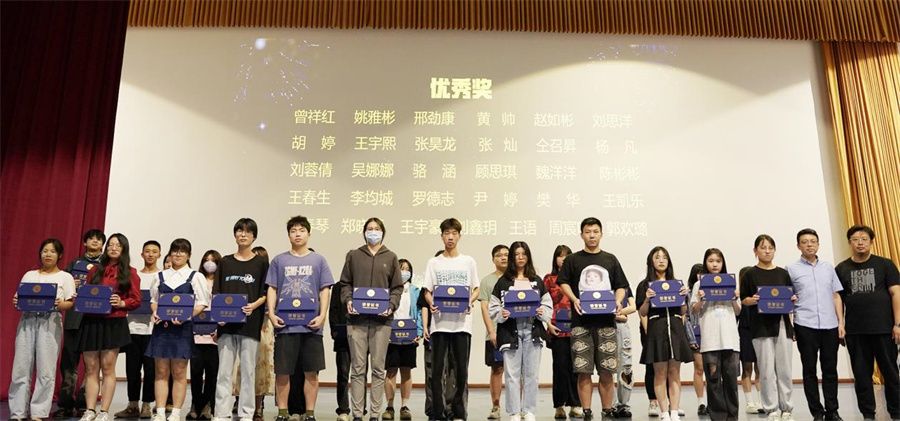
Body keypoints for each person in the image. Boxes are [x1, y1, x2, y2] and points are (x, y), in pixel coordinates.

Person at [556, 217, 629, 420]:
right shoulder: (573, 260)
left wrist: (617, 301)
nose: (592, 235)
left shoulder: (610, 259)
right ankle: (587, 411)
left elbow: (621, 286)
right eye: (588, 232)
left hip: (606, 323)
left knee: (607, 370)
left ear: (601, 234)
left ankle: (607, 410)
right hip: (581, 323)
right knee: (583, 370)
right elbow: (563, 282)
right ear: (582, 235)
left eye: (595, 231)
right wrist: (574, 299)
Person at [268, 215, 334, 421]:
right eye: (293, 231)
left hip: (311, 326)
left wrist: (322, 315)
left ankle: (310, 413)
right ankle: (282, 412)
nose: (297, 234)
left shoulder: (319, 260)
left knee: (311, 373)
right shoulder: (279, 260)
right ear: (288, 235)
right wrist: (271, 314)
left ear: (309, 233)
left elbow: (325, 290)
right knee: (283, 372)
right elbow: (272, 288)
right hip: (285, 326)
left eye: (301, 230)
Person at [340, 217, 404, 421]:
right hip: (356, 321)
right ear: (364, 232)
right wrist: (348, 300)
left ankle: (375, 414)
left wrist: (391, 305)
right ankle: (358, 414)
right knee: (358, 369)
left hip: (382, 322)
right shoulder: (354, 255)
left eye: (377, 229)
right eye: (369, 228)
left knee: (378, 369)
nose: (373, 232)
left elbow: (397, 288)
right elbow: (345, 283)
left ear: (383, 232)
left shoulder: (391, 257)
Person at [835, 225, 900, 421]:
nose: (860, 243)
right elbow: (837, 298)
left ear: (871, 241)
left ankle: (896, 412)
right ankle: (868, 414)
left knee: (891, 373)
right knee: (862, 375)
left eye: (864, 239)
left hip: (884, 329)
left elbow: (896, 293)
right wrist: (841, 323)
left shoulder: (885, 264)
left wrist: (897, 324)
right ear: (850, 243)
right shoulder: (842, 268)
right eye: (855, 239)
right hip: (855, 331)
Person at [9, 239, 76, 421]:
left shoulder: (65, 277)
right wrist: (16, 301)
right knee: (21, 367)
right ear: (40, 253)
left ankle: (38, 412)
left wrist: (60, 304)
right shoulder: (29, 275)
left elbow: (69, 303)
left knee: (46, 369)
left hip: (50, 322)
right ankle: (17, 412)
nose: (48, 254)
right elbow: (19, 298)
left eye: (52, 251)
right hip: (27, 321)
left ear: (59, 255)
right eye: (45, 251)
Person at [78, 233, 142, 421]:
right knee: (91, 368)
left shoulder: (130, 272)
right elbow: (88, 293)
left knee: (107, 368)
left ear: (124, 249)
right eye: (110, 245)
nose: (113, 248)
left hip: (114, 322)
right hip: (91, 322)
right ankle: (90, 410)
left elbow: (136, 299)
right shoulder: (95, 270)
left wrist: (122, 303)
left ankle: (104, 411)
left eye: (118, 245)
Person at [146, 239, 210, 421]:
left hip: (183, 329)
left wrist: (186, 316)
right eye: (175, 251)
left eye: (182, 251)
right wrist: (155, 312)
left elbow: (202, 303)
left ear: (189, 255)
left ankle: (175, 412)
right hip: (162, 329)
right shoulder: (160, 276)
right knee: (161, 371)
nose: (178, 254)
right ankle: (160, 411)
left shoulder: (196, 276)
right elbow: (154, 301)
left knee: (180, 372)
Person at [212, 218, 269, 421]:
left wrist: (253, 305)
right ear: (235, 234)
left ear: (254, 236)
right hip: (226, 325)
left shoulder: (261, 263)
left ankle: (246, 413)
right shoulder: (225, 262)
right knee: (224, 371)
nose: (243, 235)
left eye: (247, 232)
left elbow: (266, 292)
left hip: (250, 324)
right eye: (239, 231)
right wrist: (218, 316)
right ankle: (221, 413)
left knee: (248, 371)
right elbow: (216, 292)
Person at [423, 218, 479, 421]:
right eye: (447, 233)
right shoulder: (434, 262)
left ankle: (458, 411)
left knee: (462, 371)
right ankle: (438, 412)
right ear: (441, 236)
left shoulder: (468, 261)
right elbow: (427, 290)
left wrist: (469, 302)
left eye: (454, 233)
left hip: (462, 325)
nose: (450, 237)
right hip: (440, 324)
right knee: (437, 371)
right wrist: (431, 303)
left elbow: (476, 288)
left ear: (459, 236)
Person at [488, 241, 552, 421]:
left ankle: (529, 410)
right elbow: (493, 308)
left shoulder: (536, 280)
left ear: (528, 257)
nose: (520, 257)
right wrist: (502, 313)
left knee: (532, 374)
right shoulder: (503, 282)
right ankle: (514, 411)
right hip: (510, 332)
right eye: (517, 254)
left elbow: (548, 304)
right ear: (512, 258)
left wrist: (542, 312)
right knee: (512, 375)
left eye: (524, 254)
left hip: (533, 331)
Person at [786, 229, 845, 421]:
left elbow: (836, 296)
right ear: (798, 246)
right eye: (804, 242)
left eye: (813, 241)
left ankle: (832, 411)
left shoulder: (828, 268)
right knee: (809, 370)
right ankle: (817, 412)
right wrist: (791, 325)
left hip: (830, 325)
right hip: (804, 324)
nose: (809, 245)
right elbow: (788, 299)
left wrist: (841, 322)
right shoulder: (791, 269)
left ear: (818, 244)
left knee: (830, 370)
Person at [739, 235, 796, 421]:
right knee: (766, 370)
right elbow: (744, 300)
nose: (767, 251)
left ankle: (786, 408)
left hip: (782, 325)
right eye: (763, 247)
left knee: (785, 370)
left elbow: (790, 298)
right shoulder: (750, 274)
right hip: (760, 327)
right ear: (755, 251)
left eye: (771, 247)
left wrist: (792, 300)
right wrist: (752, 300)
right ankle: (771, 408)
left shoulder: (783, 273)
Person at [636, 246, 692, 421]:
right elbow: (642, 312)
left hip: (675, 329)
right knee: (659, 373)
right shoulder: (645, 285)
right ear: (651, 261)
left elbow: (683, 311)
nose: (661, 260)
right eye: (657, 257)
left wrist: (684, 297)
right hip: (657, 329)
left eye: (664, 257)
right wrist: (647, 299)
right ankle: (664, 412)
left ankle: (674, 411)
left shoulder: (677, 284)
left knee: (674, 372)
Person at [55, 229, 105, 419]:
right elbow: (63, 289)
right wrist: (72, 285)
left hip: (95, 320)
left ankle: (85, 404)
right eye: (91, 239)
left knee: (92, 365)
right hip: (74, 319)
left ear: (102, 244)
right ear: (84, 243)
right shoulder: (74, 264)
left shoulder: (107, 265)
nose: (95, 241)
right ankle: (65, 404)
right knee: (69, 363)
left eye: (98, 239)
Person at [690, 249, 741, 421]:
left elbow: (738, 311)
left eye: (718, 261)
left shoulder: (730, 282)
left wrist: (734, 297)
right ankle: (718, 417)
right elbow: (694, 311)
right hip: (710, 340)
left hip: (730, 339)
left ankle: (732, 416)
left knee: (731, 381)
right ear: (705, 263)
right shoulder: (699, 284)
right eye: (711, 261)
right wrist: (701, 299)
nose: (714, 264)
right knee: (713, 381)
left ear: (722, 263)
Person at [117, 240, 161, 419]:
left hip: (153, 330)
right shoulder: (133, 275)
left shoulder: (162, 276)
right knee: (132, 368)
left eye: (154, 251)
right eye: (147, 251)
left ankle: (147, 405)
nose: (150, 254)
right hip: (132, 327)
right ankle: (132, 404)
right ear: (142, 254)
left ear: (159, 255)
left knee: (151, 370)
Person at [543, 245, 582, 419]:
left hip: (577, 328)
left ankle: (576, 404)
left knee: (577, 368)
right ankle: (559, 406)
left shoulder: (578, 278)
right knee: (559, 368)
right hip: (557, 329)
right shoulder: (549, 279)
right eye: (560, 256)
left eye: (567, 255)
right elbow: (543, 304)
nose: (564, 259)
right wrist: (548, 324)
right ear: (555, 259)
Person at [384, 258, 424, 421]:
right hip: (391, 335)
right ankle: (389, 406)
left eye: (407, 269)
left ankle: (404, 406)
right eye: (401, 268)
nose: (404, 272)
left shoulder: (415, 291)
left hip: (410, 335)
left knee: (406, 371)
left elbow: (419, 312)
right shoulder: (388, 290)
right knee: (391, 370)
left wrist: (419, 332)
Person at [189, 250, 221, 420]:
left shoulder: (221, 282)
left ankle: (208, 404)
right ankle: (195, 404)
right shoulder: (196, 280)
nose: (210, 263)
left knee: (212, 372)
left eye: (213, 260)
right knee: (195, 372)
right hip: (196, 333)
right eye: (206, 260)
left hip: (215, 335)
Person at [477, 245, 509, 420]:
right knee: (497, 369)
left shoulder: (518, 278)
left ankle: (518, 407)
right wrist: (491, 331)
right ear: (493, 259)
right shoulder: (487, 281)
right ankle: (495, 406)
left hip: (515, 332)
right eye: (499, 255)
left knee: (518, 372)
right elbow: (484, 307)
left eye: (506, 255)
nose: (503, 258)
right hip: (495, 332)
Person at [737, 265, 763, 415]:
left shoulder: (758, 296)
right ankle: (749, 402)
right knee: (747, 368)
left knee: (760, 368)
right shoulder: (738, 296)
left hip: (758, 331)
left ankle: (761, 401)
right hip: (744, 332)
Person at [685, 263, 708, 417]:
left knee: (713, 369)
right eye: (698, 274)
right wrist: (690, 337)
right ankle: (701, 402)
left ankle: (713, 401)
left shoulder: (713, 291)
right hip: (696, 333)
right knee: (699, 368)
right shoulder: (688, 294)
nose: (701, 276)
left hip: (711, 332)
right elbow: (686, 317)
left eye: (703, 273)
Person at [612, 283, 636, 418]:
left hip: (622, 327)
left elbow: (633, 307)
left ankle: (623, 404)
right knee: (607, 367)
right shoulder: (599, 285)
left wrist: (618, 313)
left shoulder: (624, 286)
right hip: (605, 326)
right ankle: (610, 405)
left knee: (626, 366)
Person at [330, 276, 351, 421]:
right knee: (343, 374)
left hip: (362, 336)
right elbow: (333, 310)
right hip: (342, 336)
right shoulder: (338, 287)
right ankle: (343, 409)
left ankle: (360, 408)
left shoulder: (362, 285)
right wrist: (334, 330)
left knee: (360, 374)